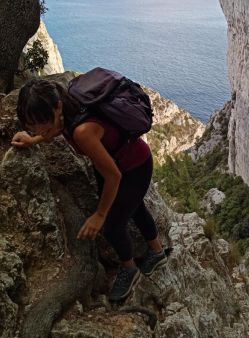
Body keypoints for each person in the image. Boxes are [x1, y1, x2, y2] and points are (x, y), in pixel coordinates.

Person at [11, 78, 167, 302]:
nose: (38, 129)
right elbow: (54, 130)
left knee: (112, 225)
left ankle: (130, 270)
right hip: (118, 162)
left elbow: (114, 176)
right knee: (133, 207)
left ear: (57, 108)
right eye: (32, 124)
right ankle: (157, 252)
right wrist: (32, 140)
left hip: (133, 167)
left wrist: (99, 215)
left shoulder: (82, 131)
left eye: (42, 121)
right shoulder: (65, 109)